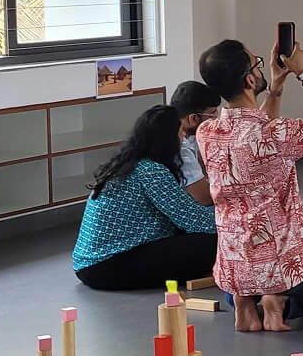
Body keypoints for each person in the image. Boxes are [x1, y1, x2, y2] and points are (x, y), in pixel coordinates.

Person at [195, 36, 303, 332]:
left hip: (234, 270)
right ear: (249, 78)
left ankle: (245, 303)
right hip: (284, 267)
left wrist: (277, 86)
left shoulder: (207, 132)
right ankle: (279, 301)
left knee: (245, 285)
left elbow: (255, 133)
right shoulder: (278, 133)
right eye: (257, 64)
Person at [72, 105, 220, 289]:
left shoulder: (132, 163)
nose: (184, 137)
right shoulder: (150, 170)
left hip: (90, 264)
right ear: (167, 139)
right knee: (217, 241)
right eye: (180, 132)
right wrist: (236, 218)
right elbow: (194, 221)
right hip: (106, 266)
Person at [170, 79, 219, 206]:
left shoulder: (195, 136)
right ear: (194, 118)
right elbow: (205, 198)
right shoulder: (181, 150)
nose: (216, 119)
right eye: (213, 114)